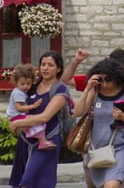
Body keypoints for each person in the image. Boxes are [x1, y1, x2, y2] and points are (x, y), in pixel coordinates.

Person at [74, 58, 124, 188]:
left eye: (108, 79)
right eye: (101, 80)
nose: (105, 84)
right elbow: (78, 113)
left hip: (118, 149)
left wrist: (123, 117)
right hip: (96, 150)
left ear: (117, 77)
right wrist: (88, 88)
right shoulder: (94, 92)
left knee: (111, 186)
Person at [8, 52, 75, 188]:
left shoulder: (60, 90)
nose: (45, 68)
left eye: (50, 65)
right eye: (43, 64)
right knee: (21, 183)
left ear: (58, 69)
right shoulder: (31, 87)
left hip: (47, 142)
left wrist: (17, 123)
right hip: (26, 141)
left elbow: (45, 117)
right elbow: (18, 107)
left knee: (31, 182)